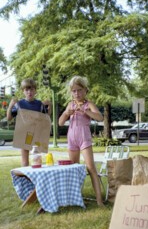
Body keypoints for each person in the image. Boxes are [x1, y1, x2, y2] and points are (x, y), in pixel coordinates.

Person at [59, 76, 104, 206]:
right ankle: (76, 198)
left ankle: (99, 201)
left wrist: (86, 111)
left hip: (84, 138)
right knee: (74, 169)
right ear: (71, 92)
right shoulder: (70, 105)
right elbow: (60, 123)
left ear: (85, 90)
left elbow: (100, 118)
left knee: (91, 168)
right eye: (74, 91)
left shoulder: (88, 104)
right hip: (71, 139)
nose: (77, 93)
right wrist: (67, 113)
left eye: (79, 90)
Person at [7, 78, 52, 166]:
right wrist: (10, 106)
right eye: (26, 90)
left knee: (37, 159)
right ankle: (26, 178)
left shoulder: (39, 104)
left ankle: (35, 178)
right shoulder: (19, 104)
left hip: (37, 133)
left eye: (31, 89)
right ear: (23, 91)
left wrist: (49, 106)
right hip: (24, 134)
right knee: (25, 161)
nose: (29, 92)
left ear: (35, 91)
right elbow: (9, 118)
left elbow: (46, 118)